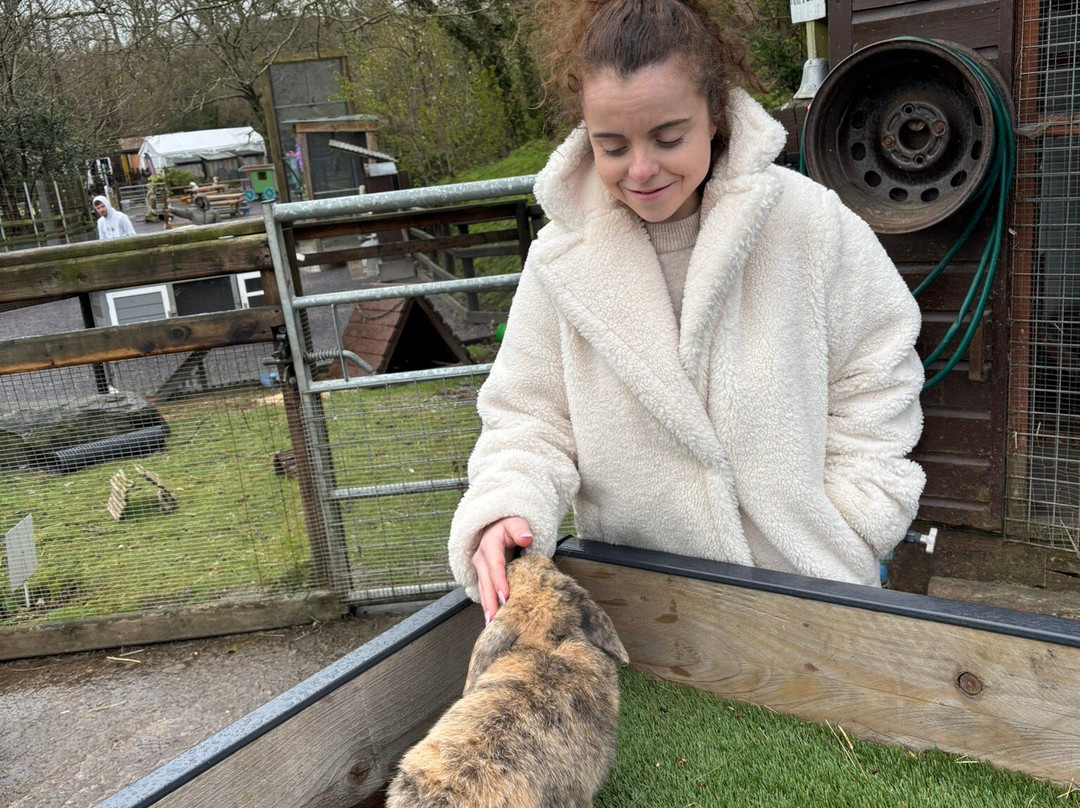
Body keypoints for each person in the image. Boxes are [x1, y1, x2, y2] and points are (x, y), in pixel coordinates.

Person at [449, 0, 926, 624]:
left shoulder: (811, 226)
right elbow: (528, 419)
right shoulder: (559, 262)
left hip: (814, 591)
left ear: (716, 116)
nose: (641, 169)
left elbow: (878, 373)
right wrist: (507, 504)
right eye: (611, 145)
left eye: (668, 138)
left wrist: (858, 518)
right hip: (646, 616)